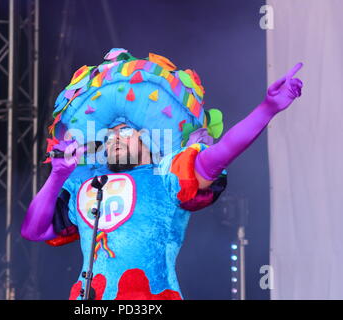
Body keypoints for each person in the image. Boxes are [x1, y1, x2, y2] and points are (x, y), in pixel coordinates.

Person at [21, 49, 303, 300]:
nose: (114, 138)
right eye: (109, 134)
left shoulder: (168, 176)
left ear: (149, 139)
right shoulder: (86, 184)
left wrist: (267, 109)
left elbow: (224, 151)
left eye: (125, 131)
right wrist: (57, 176)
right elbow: (33, 231)